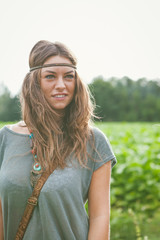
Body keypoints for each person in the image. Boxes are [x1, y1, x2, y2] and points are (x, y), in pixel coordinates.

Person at [0, 40, 116, 240]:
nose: (61, 85)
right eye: (50, 76)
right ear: (34, 82)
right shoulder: (5, 139)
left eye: (69, 77)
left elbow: (99, 217)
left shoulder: (93, 141)